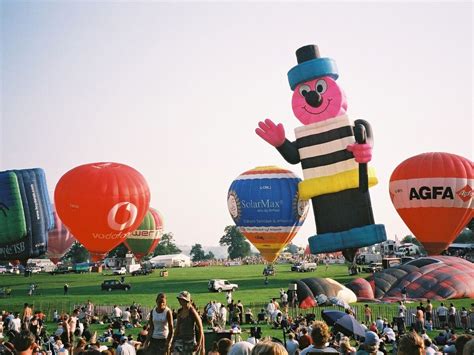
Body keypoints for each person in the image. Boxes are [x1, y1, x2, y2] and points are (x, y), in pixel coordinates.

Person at [172, 291, 204, 355]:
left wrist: (199, 344)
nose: (180, 301)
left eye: (182, 300)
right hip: (180, 340)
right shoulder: (180, 311)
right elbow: (177, 328)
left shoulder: (192, 312)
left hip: (190, 341)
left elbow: (200, 328)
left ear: (187, 300)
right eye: (180, 299)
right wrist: (173, 341)